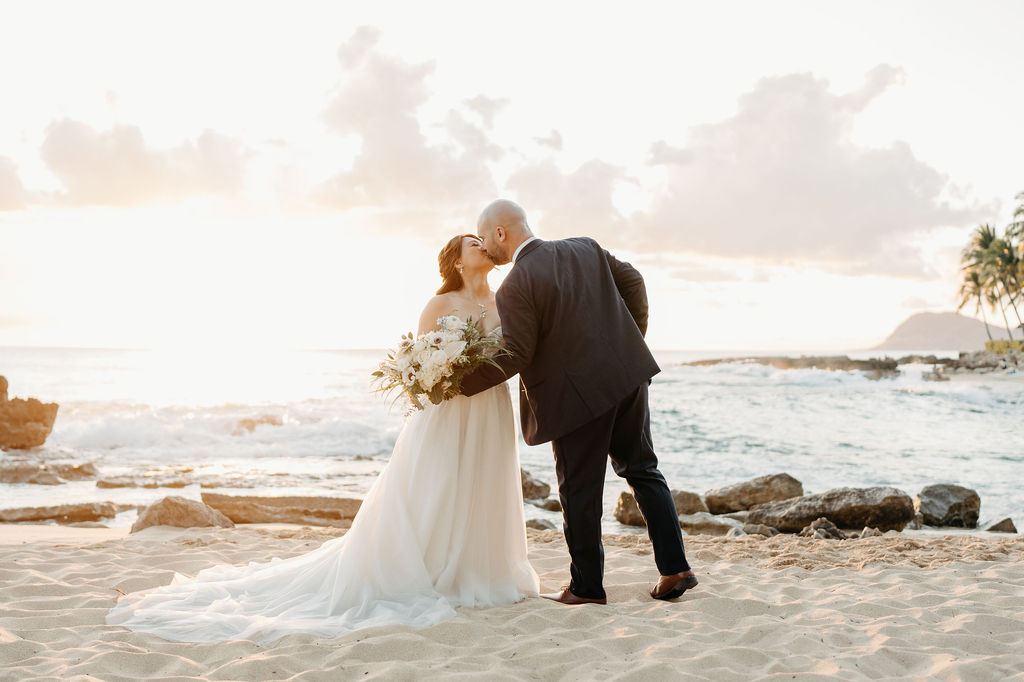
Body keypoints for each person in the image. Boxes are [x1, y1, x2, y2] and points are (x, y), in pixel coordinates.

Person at [106, 234, 539, 643]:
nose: (483, 246)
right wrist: (440, 371)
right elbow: (421, 364)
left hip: (491, 405)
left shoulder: (505, 300)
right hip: (449, 410)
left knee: (484, 483)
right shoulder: (439, 303)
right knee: (438, 485)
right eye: (472, 243)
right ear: (457, 260)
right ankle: (434, 568)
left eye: (484, 241)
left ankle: (481, 570)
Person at [461, 199, 696, 605]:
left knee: (579, 493)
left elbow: (516, 353)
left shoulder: (516, 283)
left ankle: (587, 588)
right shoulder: (585, 247)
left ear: (500, 232)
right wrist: (629, 341)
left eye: (484, 237)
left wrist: (460, 385)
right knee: (643, 470)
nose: (485, 247)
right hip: (627, 378)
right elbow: (634, 281)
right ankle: (676, 568)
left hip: (575, 400)